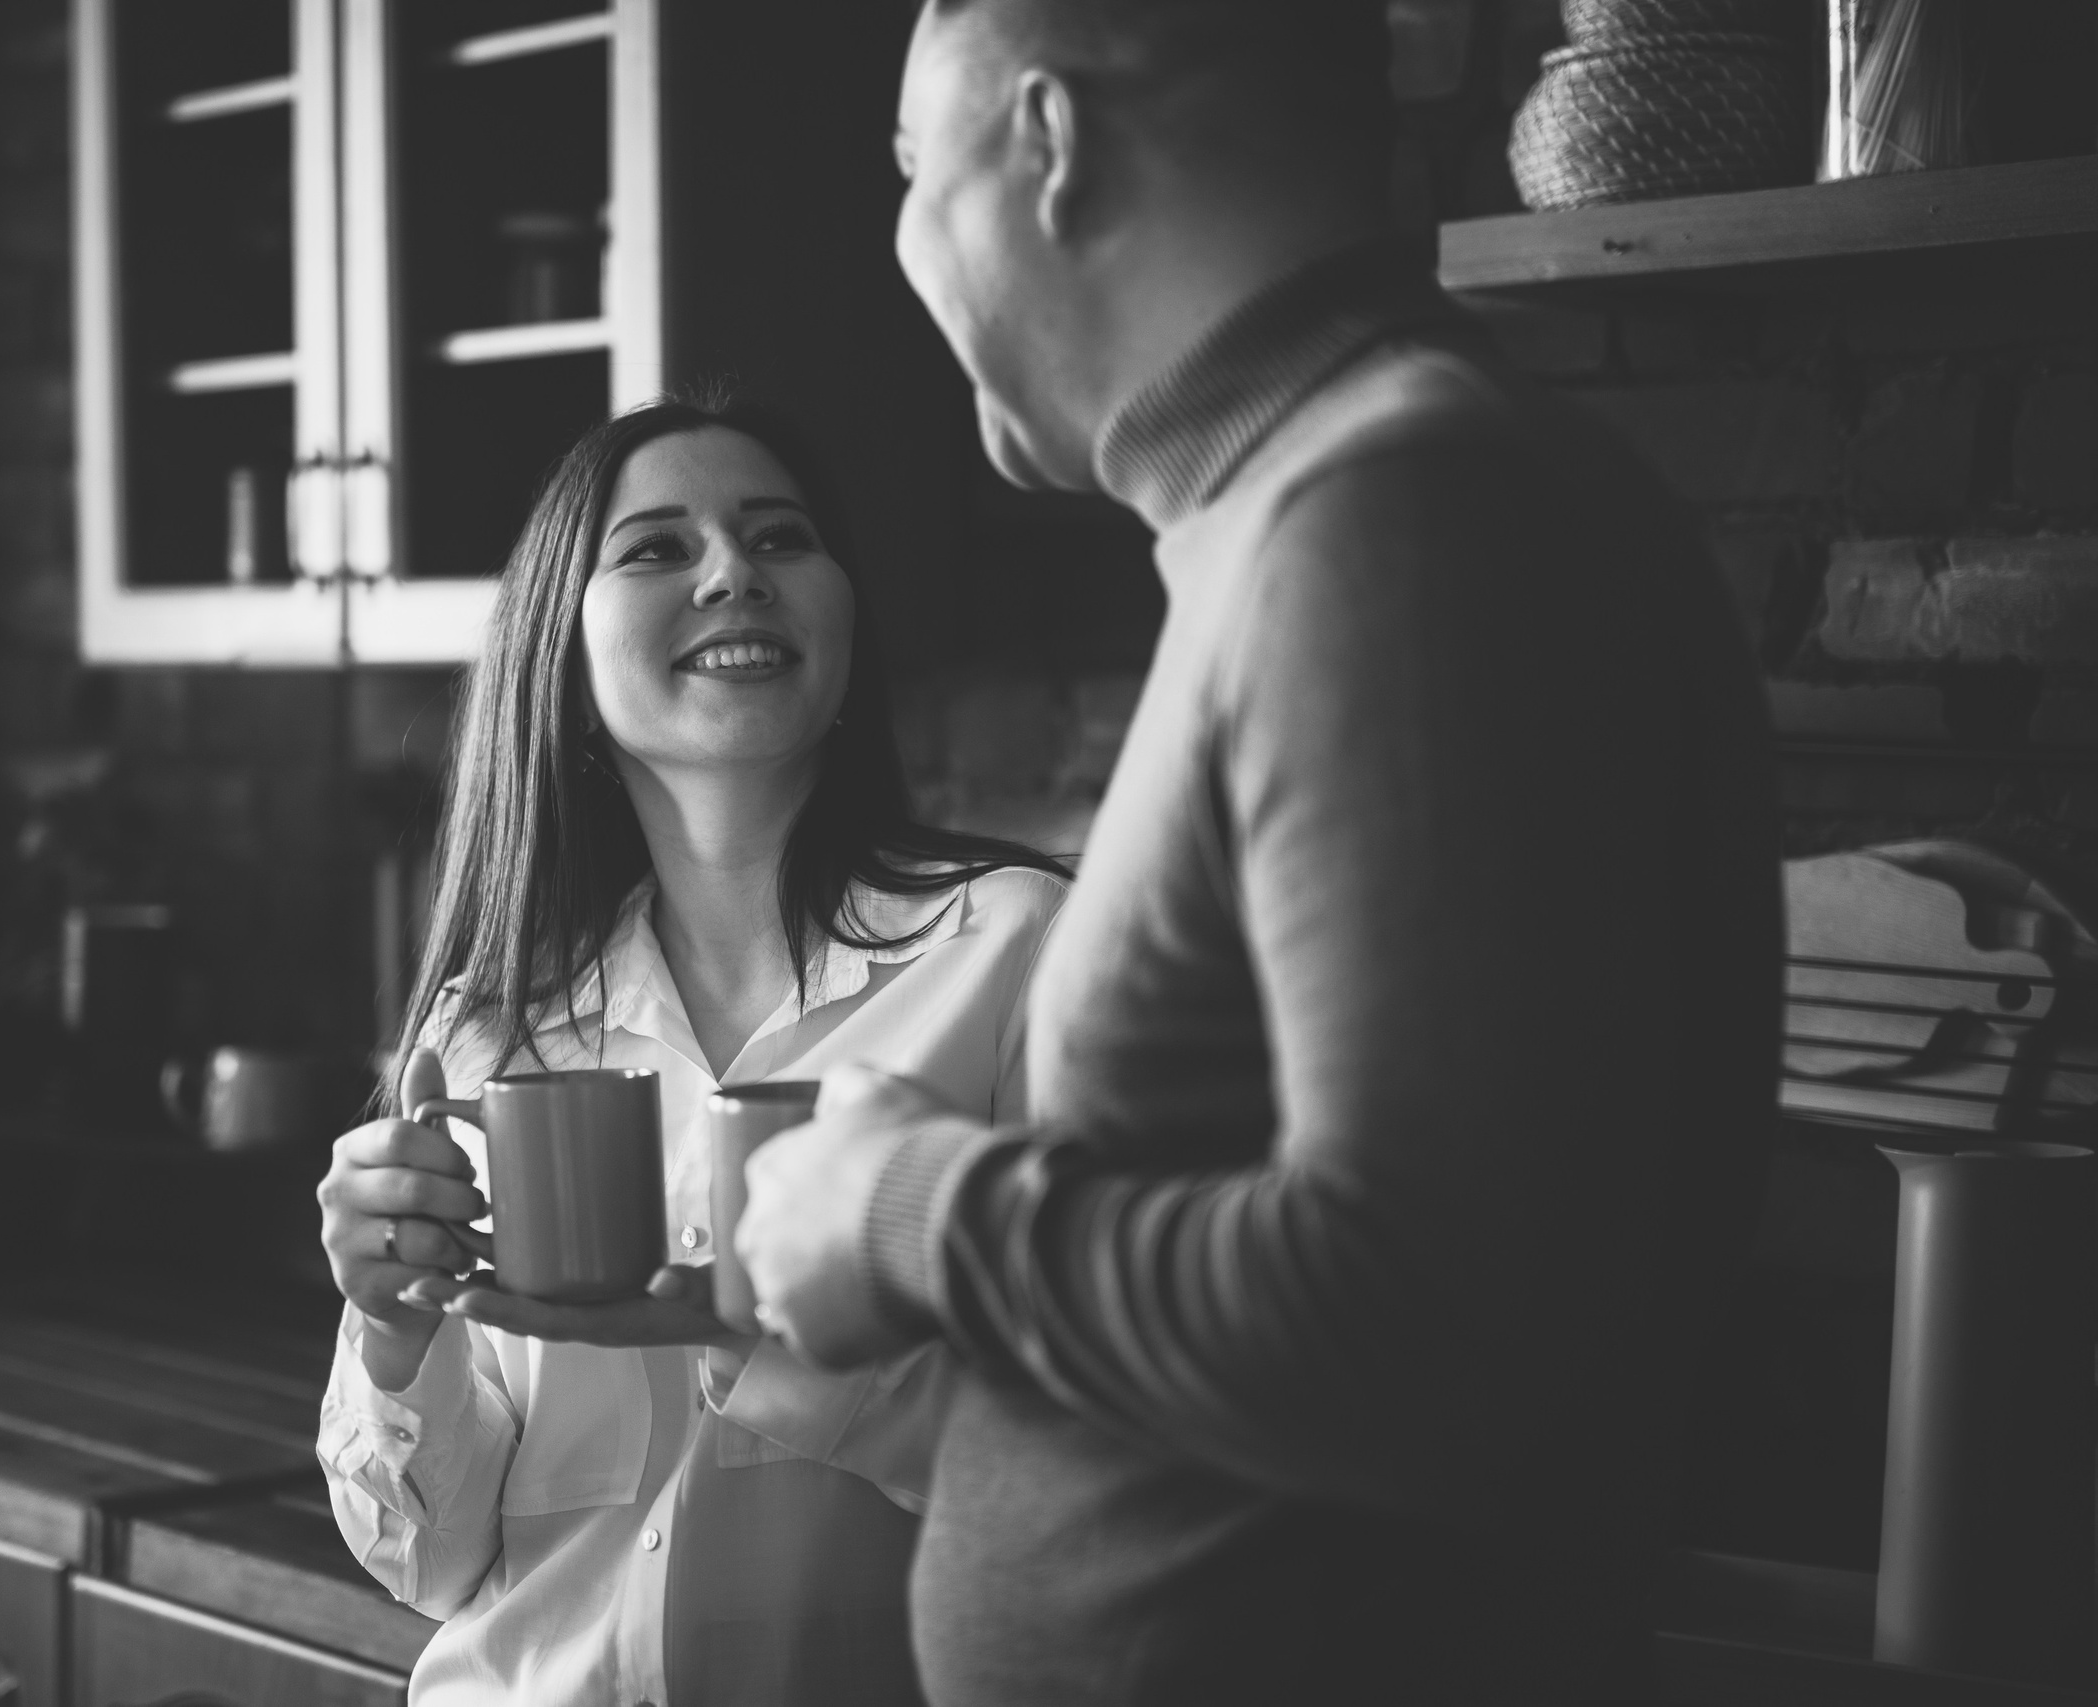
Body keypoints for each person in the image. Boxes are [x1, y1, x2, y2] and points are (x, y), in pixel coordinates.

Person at [736, 3, 1780, 1703]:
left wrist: (904, 1212)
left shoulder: (1402, 525)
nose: (907, 244)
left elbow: (1436, 1327)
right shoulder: (1302, 514)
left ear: (1049, 147)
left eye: (921, 172)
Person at [313, 394, 1070, 1707]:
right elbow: (432, 1563)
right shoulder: (491, 1028)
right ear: (566, 653)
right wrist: (390, 1328)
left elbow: (1102, 1462)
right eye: (657, 549)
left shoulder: (1013, 951)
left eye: (780, 538)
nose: (735, 571)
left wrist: (779, 1356)